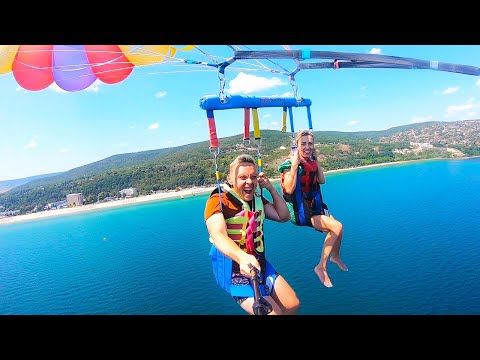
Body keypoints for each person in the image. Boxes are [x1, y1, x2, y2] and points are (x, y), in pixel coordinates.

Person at [205, 154, 300, 315]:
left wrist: (270, 188)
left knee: (292, 305)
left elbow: (283, 216)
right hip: (234, 270)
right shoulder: (219, 201)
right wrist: (241, 257)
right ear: (230, 179)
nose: (249, 182)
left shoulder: (256, 199)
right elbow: (218, 234)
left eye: (253, 177)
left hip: (259, 263)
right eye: (242, 177)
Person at [278, 130, 348, 288]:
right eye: (303, 144)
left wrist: (316, 162)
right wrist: (295, 164)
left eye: (310, 143)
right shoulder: (289, 165)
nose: (307, 147)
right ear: (296, 146)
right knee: (336, 227)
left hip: (315, 207)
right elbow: (288, 189)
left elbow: (322, 180)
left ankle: (335, 256)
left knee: (338, 230)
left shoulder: (311, 161)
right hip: (302, 213)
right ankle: (321, 267)